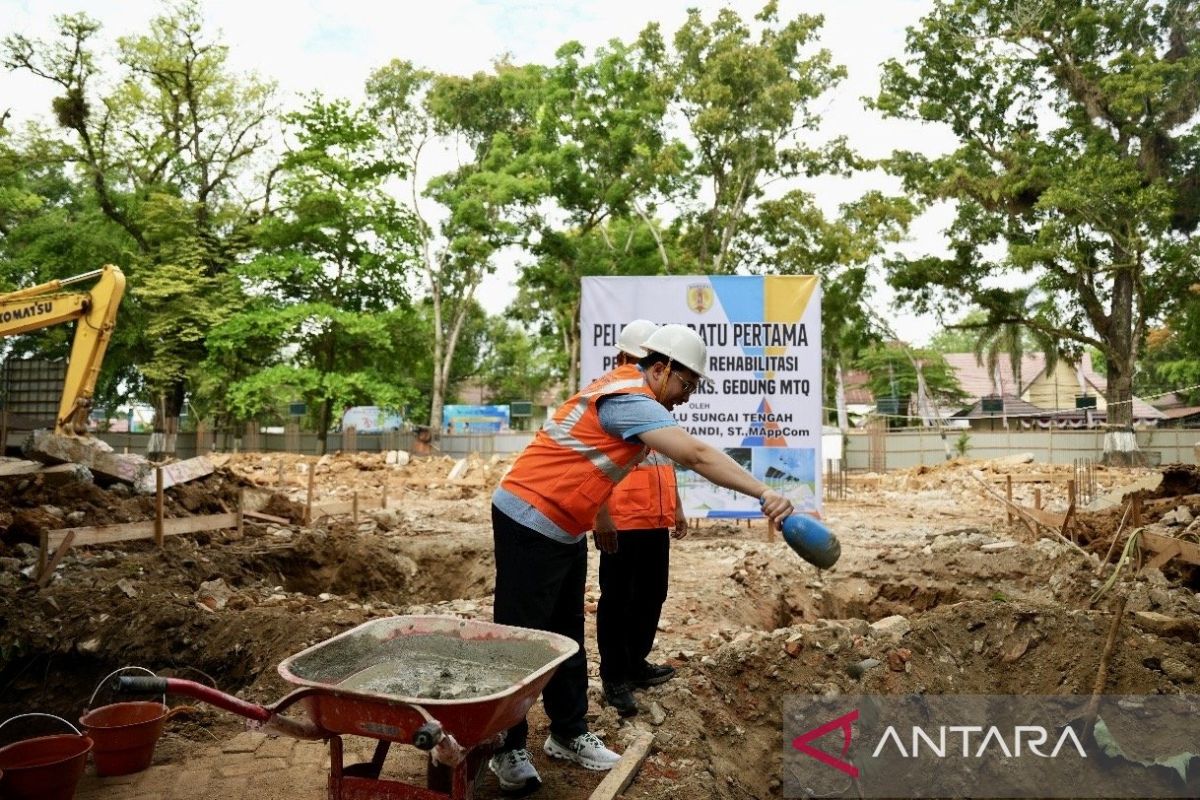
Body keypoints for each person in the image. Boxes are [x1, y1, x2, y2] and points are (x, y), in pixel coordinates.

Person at [488, 323, 794, 796]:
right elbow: (694, 453)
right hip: (529, 518)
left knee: (566, 635)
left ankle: (567, 733)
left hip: (564, 523)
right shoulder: (629, 398)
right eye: (686, 385)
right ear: (661, 368)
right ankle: (505, 747)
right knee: (521, 639)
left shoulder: (632, 395)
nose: (687, 398)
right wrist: (763, 490)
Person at [593, 320, 684, 718]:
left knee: (652, 595)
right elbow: (592, 465)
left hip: (654, 520)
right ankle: (614, 677)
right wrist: (602, 517)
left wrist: (676, 508)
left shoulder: (654, 405)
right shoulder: (614, 401)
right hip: (622, 521)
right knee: (618, 600)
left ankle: (635, 663)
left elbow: (666, 461)